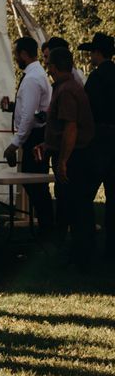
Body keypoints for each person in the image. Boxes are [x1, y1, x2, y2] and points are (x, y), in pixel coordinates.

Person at [45, 45, 98, 266]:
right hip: (74, 152)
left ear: (54, 67)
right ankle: (79, 253)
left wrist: (63, 161)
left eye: (49, 65)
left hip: (75, 156)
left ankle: (81, 256)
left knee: (75, 206)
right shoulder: (70, 87)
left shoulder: (66, 90)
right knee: (75, 205)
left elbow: (71, 127)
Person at [2, 36, 53, 231]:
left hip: (34, 137)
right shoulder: (36, 74)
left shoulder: (32, 78)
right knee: (36, 184)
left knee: (35, 184)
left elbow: (29, 116)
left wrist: (14, 144)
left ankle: (47, 226)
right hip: (35, 134)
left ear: (24, 54)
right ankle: (46, 225)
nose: (15, 58)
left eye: (16, 54)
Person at [80, 32, 115, 261]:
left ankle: (86, 245)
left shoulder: (95, 78)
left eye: (91, 52)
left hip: (99, 138)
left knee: (85, 195)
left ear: (97, 53)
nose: (90, 56)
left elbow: (87, 110)